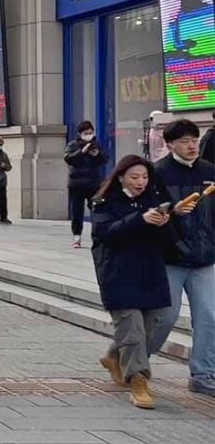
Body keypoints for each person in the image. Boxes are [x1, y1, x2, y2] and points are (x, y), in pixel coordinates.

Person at [90, 155, 173, 409]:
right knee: (133, 331)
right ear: (121, 177)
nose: (140, 182)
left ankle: (115, 355)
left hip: (151, 273)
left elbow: (169, 241)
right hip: (118, 275)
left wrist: (166, 222)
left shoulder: (154, 200)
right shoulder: (105, 202)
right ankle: (138, 381)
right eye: (135, 177)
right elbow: (106, 233)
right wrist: (140, 220)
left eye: (145, 177)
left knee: (159, 322)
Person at [148, 119, 215, 397]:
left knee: (210, 316)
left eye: (194, 140)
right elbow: (148, 213)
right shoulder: (156, 173)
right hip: (170, 257)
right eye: (185, 141)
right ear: (170, 144)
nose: (191, 146)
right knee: (164, 317)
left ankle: (203, 373)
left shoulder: (209, 171)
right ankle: (134, 358)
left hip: (204, 257)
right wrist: (172, 212)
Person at [65, 121, 109, 249]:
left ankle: (98, 235)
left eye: (90, 132)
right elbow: (68, 159)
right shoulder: (73, 145)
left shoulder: (97, 145)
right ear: (80, 134)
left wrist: (97, 155)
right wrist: (82, 152)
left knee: (96, 210)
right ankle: (77, 237)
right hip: (77, 184)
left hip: (93, 183)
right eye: (86, 133)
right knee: (77, 212)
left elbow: (105, 159)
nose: (88, 135)